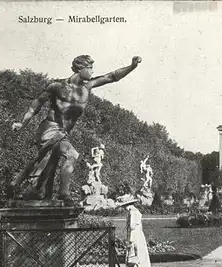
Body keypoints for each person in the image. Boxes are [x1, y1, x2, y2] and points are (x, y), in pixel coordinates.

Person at [8, 55, 142, 204]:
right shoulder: (57, 86)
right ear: (80, 69)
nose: (92, 71)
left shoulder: (87, 87)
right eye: (90, 68)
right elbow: (36, 104)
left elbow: (111, 77)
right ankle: (64, 194)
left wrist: (132, 66)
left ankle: (19, 185)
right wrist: (22, 123)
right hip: (49, 128)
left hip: (63, 133)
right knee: (72, 154)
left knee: (46, 169)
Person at [117, 195, 151, 267]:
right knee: (141, 250)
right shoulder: (135, 211)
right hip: (138, 233)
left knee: (132, 251)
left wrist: (129, 235)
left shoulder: (132, 212)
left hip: (134, 233)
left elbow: (132, 225)